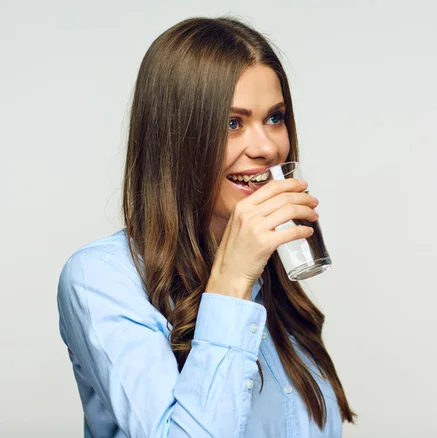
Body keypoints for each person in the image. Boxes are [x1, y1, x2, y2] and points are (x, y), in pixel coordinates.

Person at [57, 16, 356, 437]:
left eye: (275, 118)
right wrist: (231, 284)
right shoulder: (100, 278)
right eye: (233, 123)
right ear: (176, 139)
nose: (268, 147)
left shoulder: (274, 274)